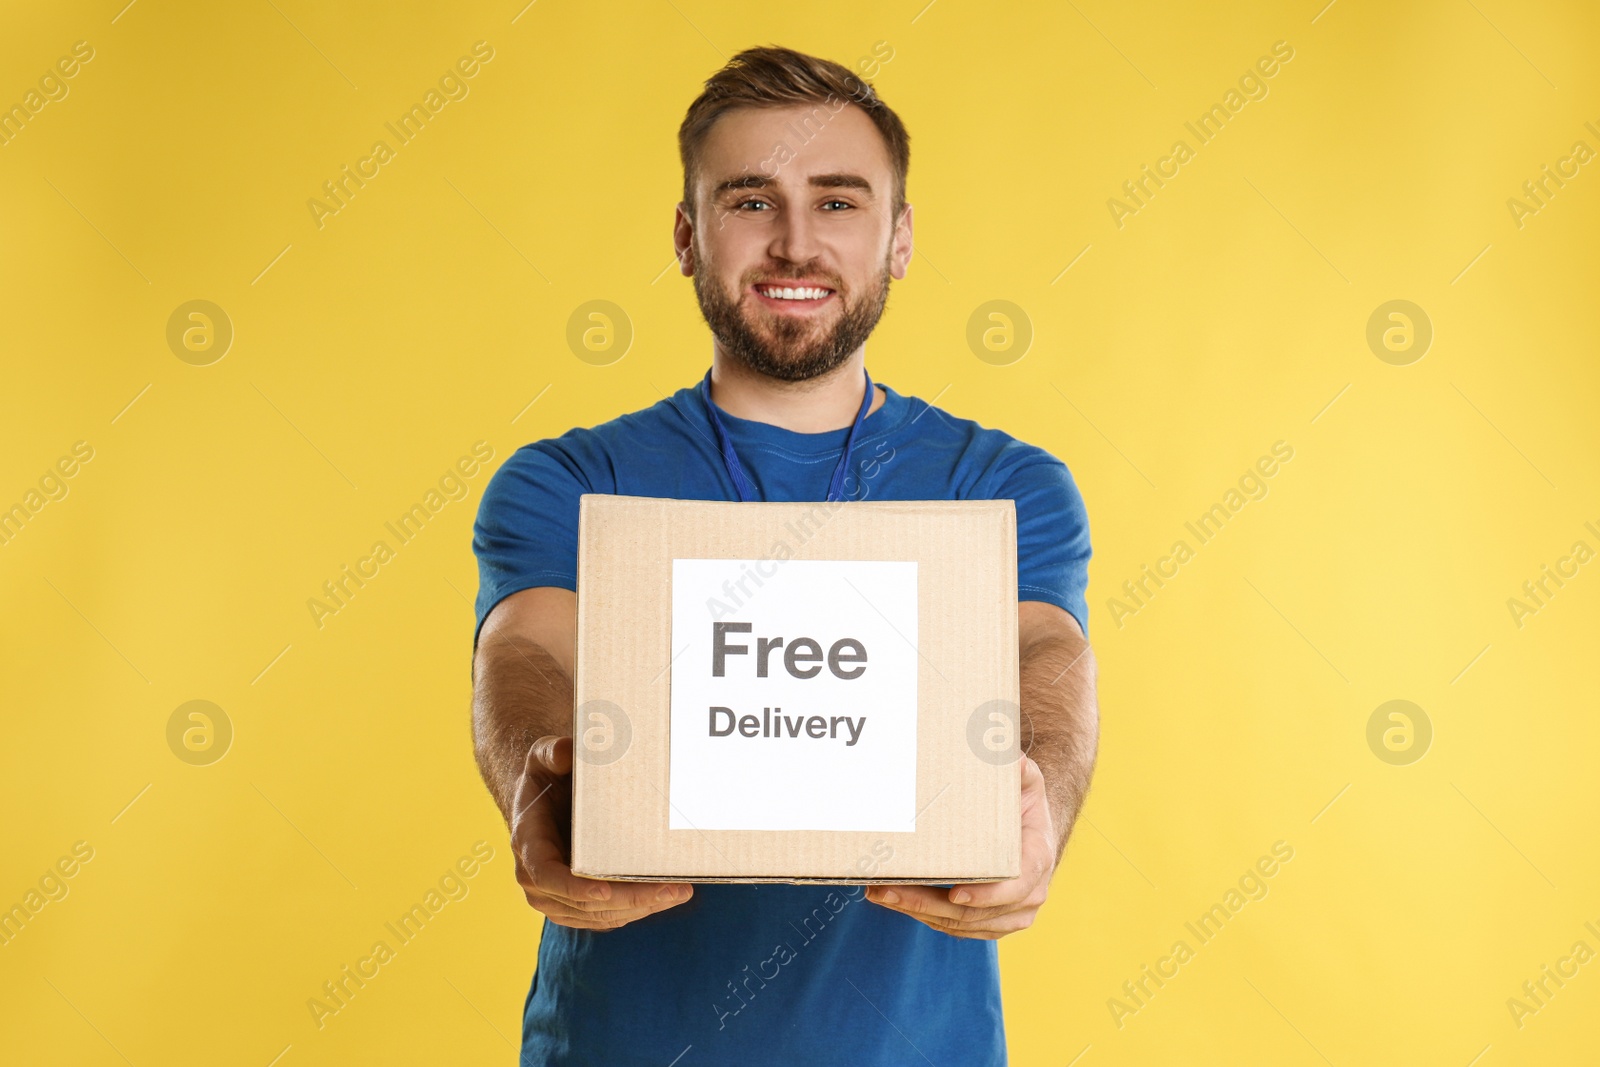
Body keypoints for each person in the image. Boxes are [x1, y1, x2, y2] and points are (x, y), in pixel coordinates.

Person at [470, 44, 1099, 1066]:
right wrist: (534, 783)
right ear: (687, 235)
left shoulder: (1001, 484)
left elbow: (1045, 653)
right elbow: (527, 650)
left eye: (839, 203)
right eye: (751, 203)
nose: (795, 244)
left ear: (898, 240)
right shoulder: (568, 479)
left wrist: (1040, 796)